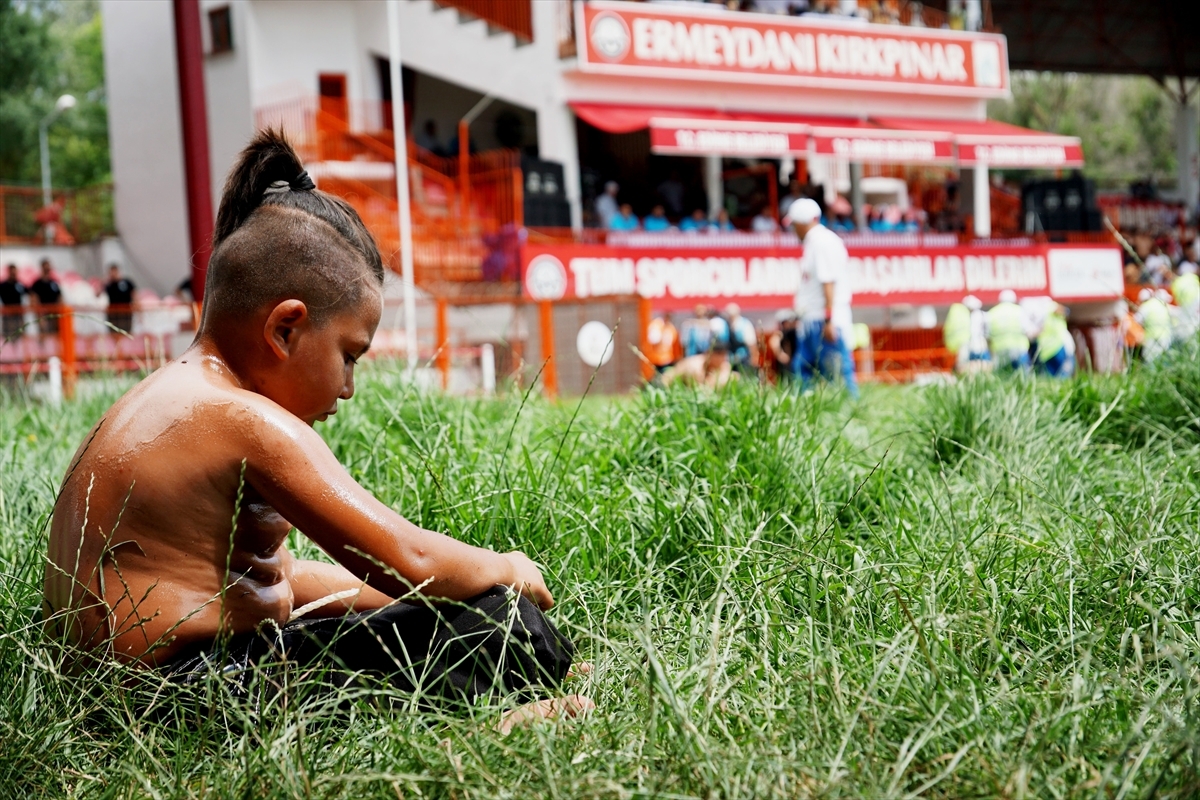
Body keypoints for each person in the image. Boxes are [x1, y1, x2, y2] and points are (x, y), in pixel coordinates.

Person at [42, 131, 589, 721]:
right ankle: (487, 721)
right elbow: (409, 557)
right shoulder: (245, 420)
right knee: (496, 625)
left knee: (463, 610)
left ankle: (510, 659)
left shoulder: (176, 394)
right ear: (285, 330)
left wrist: (430, 601)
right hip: (185, 698)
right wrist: (503, 570)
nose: (349, 387)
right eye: (349, 355)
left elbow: (286, 578)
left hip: (129, 691)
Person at [784, 197, 858, 398]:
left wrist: (828, 319)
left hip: (823, 321)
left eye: (794, 225)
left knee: (838, 374)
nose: (793, 230)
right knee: (806, 373)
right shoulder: (815, 242)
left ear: (802, 222)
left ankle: (852, 413)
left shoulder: (822, 242)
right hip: (814, 320)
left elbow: (829, 283)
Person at [986, 290, 1030, 373]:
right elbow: (1027, 331)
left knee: (1003, 378)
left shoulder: (992, 313)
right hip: (1019, 349)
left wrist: (991, 354)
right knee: (1024, 378)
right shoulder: (1019, 311)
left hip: (1000, 351)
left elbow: (988, 337)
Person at [661, 341, 733, 390]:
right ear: (708, 353)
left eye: (723, 355)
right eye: (718, 354)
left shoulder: (725, 368)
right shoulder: (692, 364)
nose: (721, 359)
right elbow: (669, 377)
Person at [1033, 302, 1075, 378]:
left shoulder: (1041, 318)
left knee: (1050, 377)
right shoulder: (1049, 310)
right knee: (1063, 374)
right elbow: (1063, 310)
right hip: (1058, 349)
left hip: (1046, 352)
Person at [1135, 287, 1172, 362]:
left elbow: (1137, 319)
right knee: (1164, 360)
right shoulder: (1161, 304)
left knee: (1151, 360)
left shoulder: (1145, 306)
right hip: (1166, 336)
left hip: (1152, 338)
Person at [31, 258, 63, 339]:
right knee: (44, 333)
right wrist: (39, 313)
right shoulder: (37, 284)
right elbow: (34, 299)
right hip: (43, 313)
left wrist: (59, 312)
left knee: (56, 333)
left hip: (54, 313)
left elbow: (59, 297)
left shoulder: (54, 283)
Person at [722, 303, 758, 375]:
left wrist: (754, 359)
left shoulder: (745, 324)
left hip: (743, 359)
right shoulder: (726, 325)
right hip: (730, 360)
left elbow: (751, 343)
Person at [101, 264, 136, 335]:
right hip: (113, 314)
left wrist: (136, 305)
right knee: (114, 333)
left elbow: (134, 294)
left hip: (126, 313)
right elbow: (99, 294)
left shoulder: (126, 282)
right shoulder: (108, 285)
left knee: (126, 332)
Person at [765, 309, 798, 384]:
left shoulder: (789, 333)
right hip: (784, 367)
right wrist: (781, 355)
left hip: (789, 364)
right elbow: (773, 343)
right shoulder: (780, 332)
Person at [1, 263, 28, 344]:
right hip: (8, 315)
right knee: (9, 335)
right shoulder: (3, 286)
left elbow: (29, 294)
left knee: (20, 333)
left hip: (18, 314)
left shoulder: (20, 284)